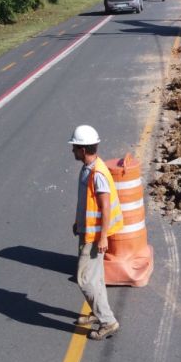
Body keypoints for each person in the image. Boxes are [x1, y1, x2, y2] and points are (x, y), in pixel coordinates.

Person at [69, 124, 123, 340]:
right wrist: (78, 222)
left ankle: (108, 322)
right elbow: (87, 202)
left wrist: (102, 238)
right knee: (96, 278)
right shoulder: (89, 168)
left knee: (85, 279)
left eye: (74, 147)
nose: (72, 151)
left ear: (83, 150)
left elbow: (105, 206)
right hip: (87, 232)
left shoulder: (97, 173)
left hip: (94, 237)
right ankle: (98, 312)